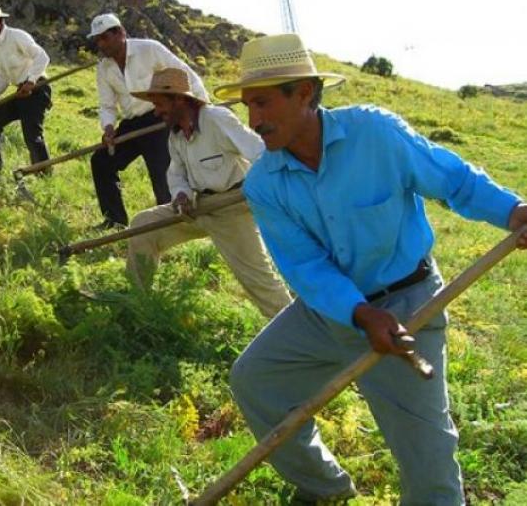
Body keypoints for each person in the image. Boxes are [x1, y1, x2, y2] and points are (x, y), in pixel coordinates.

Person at [214, 33, 527, 505]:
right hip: (330, 312)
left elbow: (453, 180)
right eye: (247, 107)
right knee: (256, 380)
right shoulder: (264, 183)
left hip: (409, 304)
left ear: (303, 94)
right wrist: (360, 315)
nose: (253, 122)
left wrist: (513, 212)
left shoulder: (375, 135)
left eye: (261, 104)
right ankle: (325, 486)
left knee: (427, 453)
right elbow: (305, 266)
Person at [125, 68, 291, 318]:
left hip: (232, 207)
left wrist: (262, 186)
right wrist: (181, 195)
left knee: (258, 280)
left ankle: (298, 329)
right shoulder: (176, 135)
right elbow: (177, 173)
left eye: (160, 104)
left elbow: (259, 152)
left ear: (180, 99)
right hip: (196, 206)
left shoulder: (216, 119)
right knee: (143, 226)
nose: (157, 112)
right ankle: (137, 306)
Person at [88, 13, 210, 228]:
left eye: (104, 38)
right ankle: (114, 220)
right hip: (131, 123)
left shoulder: (150, 49)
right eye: (97, 40)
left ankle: (172, 222)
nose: (101, 44)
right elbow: (107, 105)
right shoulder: (103, 68)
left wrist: (202, 108)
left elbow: (186, 75)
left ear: (121, 33)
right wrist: (108, 128)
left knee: (162, 171)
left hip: (159, 118)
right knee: (101, 161)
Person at [0, 1, 51, 170]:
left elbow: (42, 57)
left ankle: (44, 173)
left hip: (37, 89)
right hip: (20, 92)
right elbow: (3, 76)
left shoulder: (17, 36)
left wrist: (31, 81)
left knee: (32, 135)